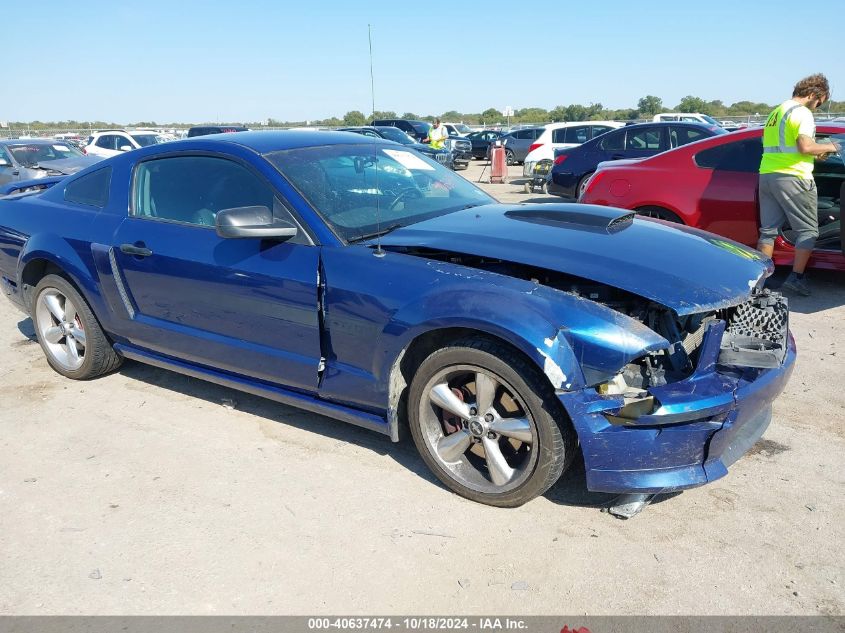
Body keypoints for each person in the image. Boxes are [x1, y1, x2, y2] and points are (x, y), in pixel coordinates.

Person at [758, 73, 836, 296]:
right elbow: (805, 146)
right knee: (808, 231)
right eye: (818, 103)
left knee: (768, 232)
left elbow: (786, 146)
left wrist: (814, 152)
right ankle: (797, 277)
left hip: (767, 174)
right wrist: (832, 147)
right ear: (813, 94)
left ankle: (760, 281)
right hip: (793, 177)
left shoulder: (777, 111)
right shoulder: (803, 112)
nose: (817, 108)